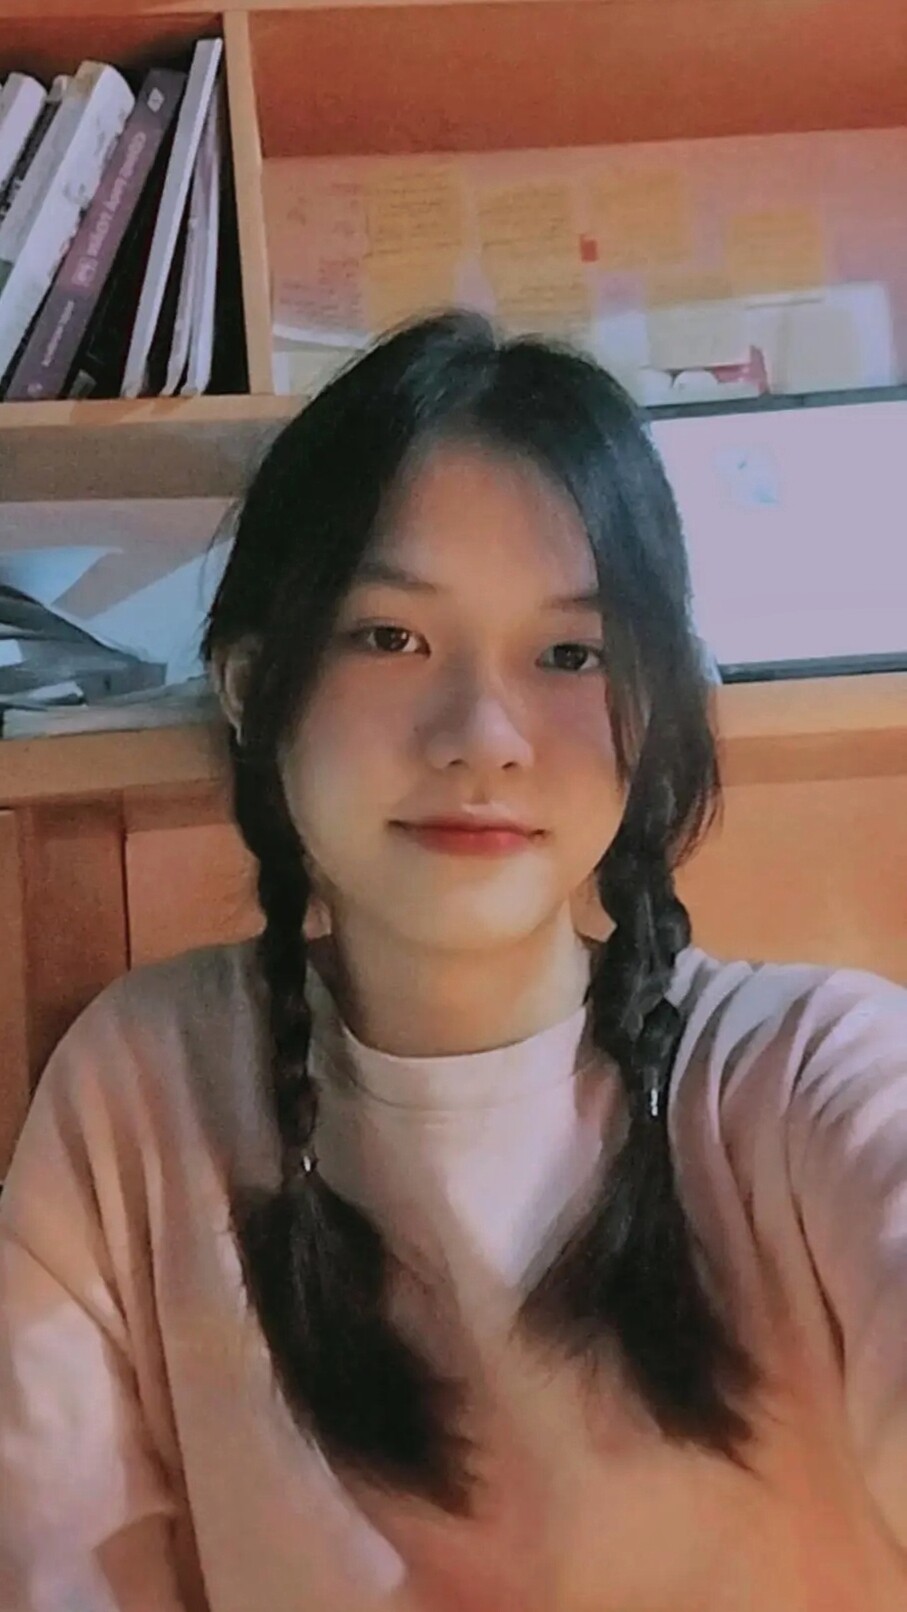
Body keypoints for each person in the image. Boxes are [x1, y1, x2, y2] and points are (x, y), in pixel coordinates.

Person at [1, 310, 906, 1612]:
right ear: (254, 686)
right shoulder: (143, 1088)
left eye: (570, 654)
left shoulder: (810, 1077)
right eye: (391, 636)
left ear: (648, 712)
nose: (485, 734)